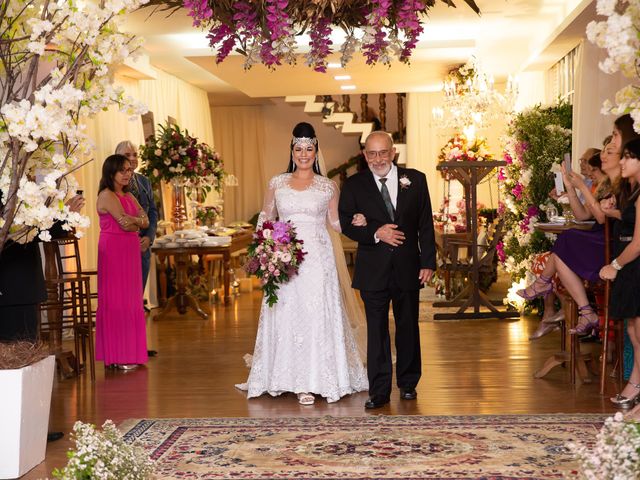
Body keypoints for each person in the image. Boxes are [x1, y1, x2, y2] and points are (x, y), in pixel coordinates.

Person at [237, 122, 368, 405]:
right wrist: (265, 247)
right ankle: (285, 377)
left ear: (316, 151)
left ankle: (315, 378)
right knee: (286, 312)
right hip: (284, 259)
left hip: (318, 262)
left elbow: (334, 222)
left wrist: (356, 219)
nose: (304, 154)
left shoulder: (328, 186)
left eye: (309, 148)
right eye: (299, 148)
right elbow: (266, 216)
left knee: (315, 314)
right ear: (292, 151)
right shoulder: (277, 182)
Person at [339, 130, 436, 409]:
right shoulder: (354, 185)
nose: (378, 158)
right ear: (364, 155)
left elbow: (425, 223)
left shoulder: (415, 180)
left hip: (408, 266)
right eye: (372, 153)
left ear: (394, 153)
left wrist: (428, 261)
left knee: (408, 326)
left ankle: (408, 383)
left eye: (383, 152)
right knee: (377, 331)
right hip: (373, 269)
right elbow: (346, 222)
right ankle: (379, 390)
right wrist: (375, 231)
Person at [518, 114, 638, 335]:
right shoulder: (610, 184)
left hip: (612, 243)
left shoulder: (621, 184)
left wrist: (582, 187)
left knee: (565, 243)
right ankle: (580, 308)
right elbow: (583, 215)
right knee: (563, 245)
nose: (604, 155)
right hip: (604, 237)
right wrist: (572, 188)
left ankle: (556, 293)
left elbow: (603, 218)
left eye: (610, 150)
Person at [95, 154, 149, 370]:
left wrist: (134, 221)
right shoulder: (106, 195)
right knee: (117, 300)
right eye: (123, 170)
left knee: (131, 300)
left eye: (129, 170)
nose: (128, 174)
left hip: (129, 250)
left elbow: (141, 221)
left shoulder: (128, 195)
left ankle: (129, 353)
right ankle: (118, 355)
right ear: (111, 173)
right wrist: (136, 222)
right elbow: (125, 225)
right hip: (113, 251)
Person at [599, 138, 640, 408]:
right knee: (635, 331)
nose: (622, 161)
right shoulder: (634, 192)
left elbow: (638, 243)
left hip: (633, 262)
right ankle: (636, 385)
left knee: (638, 331)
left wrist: (614, 266)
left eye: (627, 157)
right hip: (630, 264)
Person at [114, 141, 159, 356]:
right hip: (122, 247)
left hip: (143, 248)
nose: (132, 158)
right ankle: (122, 346)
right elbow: (118, 219)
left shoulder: (144, 182)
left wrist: (149, 238)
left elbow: (151, 213)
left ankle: (137, 344)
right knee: (122, 299)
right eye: (127, 154)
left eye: (134, 154)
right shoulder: (110, 185)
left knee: (136, 299)